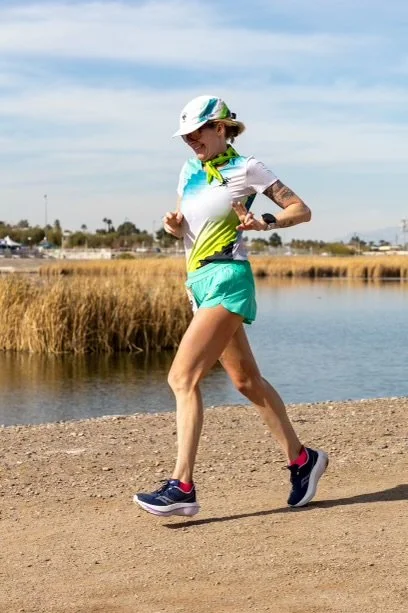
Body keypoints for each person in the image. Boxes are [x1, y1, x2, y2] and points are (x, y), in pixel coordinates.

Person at [134, 95, 328, 517]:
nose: (190, 141)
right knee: (245, 381)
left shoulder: (248, 169)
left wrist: (266, 221)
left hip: (228, 279)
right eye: (185, 136)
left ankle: (182, 486)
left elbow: (301, 209)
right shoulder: (189, 171)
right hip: (198, 285)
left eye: (196, 133)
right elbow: (188, 229)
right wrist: (174, 226)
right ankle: (302, 460)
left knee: (181, 377)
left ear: (220, 128)